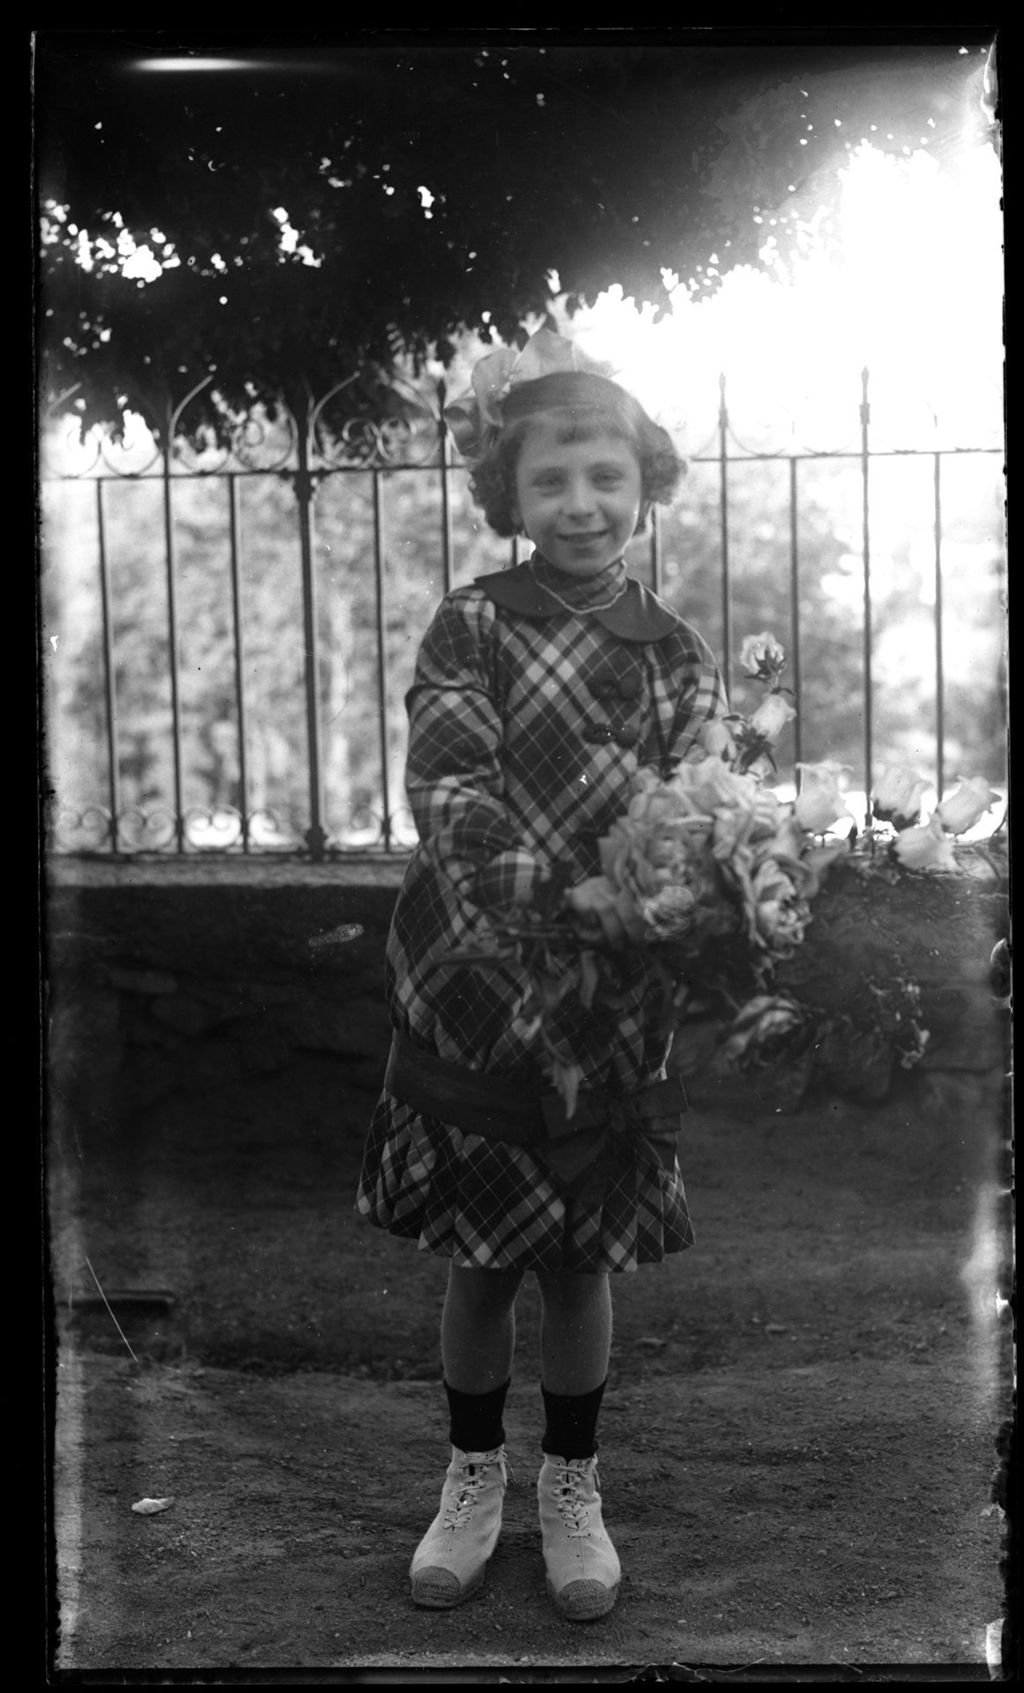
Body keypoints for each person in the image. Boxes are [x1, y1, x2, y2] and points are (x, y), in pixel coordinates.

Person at [355, 328, 728, 1622]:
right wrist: (549, 894)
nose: (583, 503)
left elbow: (702, 800)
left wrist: (690, 891)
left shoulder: (672, 650)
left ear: (645, 485)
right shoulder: (472, 627)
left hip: (614, 1002)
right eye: (554, 480)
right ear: (509, 496)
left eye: (607, 477)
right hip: (480, 981)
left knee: (580, 1266)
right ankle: (472, 1477)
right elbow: (449, 785)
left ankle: (573, 1488)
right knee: (481, 1260)